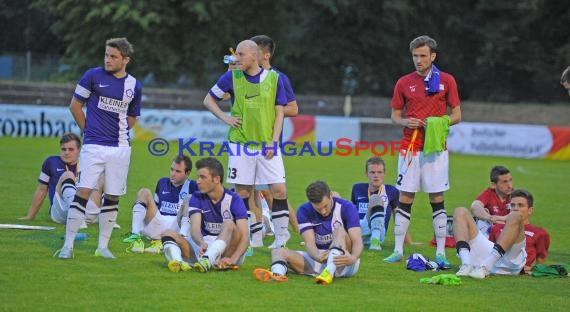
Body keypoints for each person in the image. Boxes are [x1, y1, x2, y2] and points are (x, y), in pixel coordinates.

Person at [56, 37, 142, 260]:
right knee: (83, 191)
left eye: (113, 56)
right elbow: (75, 106)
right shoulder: (92, 76)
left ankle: (102, 247)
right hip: (93, 146)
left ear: (125, 60)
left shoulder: (134, 85)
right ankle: (68, 246)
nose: (108, 60)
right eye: (106, 55)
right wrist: (89, 130)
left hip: (120, 148)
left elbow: (132, 117)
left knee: (113, 196)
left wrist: (119, 133)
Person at [203, 39, 291, 250]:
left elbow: (280, 113)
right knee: (242, 193)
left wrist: (273, 141)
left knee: (279, 190)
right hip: (240, 144)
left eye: (241, 55)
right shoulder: (231, 76)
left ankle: (281, 238)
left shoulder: (274, 78)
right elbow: (208, 100)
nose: (236, 58)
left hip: (267, 146)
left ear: (254, 55)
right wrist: (226, 119)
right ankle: (249, 237)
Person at [385, 35, 461, 267]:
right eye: (415, 56)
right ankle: (398, 250)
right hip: (410, 148)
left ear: (433, 56)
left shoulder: (447, 80)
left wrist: (440, 122)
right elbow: (395, 116)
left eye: (423, 56)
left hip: (435, 150)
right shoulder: (403, 82)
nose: (418, 60)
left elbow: (457, 114)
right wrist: (405, 122)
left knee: (437, 198)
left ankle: (440, 252)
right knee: (405, 197)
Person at [253, 181, 363, 285]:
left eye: (325, 206)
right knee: (278, 252)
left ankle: (329, 271)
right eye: (319, 209)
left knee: (339, 230)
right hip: (320, 260)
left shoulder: (347, 207)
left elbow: (357, 241)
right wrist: (317, 256)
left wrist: (353, 258)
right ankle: (277, 274)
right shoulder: (304, 211)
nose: (323, 211)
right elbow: (309, 243)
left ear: (330, 196)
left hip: (345, 262)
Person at [248, 35, 299, 249]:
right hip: (246, 143)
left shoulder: (278, 78)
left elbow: (294, 109)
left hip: (269, 143)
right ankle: (256, 236)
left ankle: (291, 232)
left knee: (274, 191)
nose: (249, 56)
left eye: (254, 52)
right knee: (249, 190)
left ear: (266, 55)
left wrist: (268, 108)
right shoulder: (242, 77)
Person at [160, 157, 249, 273]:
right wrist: (201, 242)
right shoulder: (196, 197)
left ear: (216, 179)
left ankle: (208, 260)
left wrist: (233, 259)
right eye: (198, 177)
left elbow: (245, 236)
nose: (198, 181)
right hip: (204, 247)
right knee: (167, 233)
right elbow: (195, 229)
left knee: (229, 224)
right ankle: (178, 262)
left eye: (203, 177)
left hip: (227, 251)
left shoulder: (234, 199)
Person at [453, 189, 550, 279]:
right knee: (460, 211)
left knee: (515, 216)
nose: (515, 208)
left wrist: (532, 269)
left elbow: (540, 262)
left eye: (520, 205)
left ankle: (485, 268)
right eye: (512, 205)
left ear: (530, 210)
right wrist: (490, 218)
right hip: (493, 256)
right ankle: (466, 264)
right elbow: (489, 244)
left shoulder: (539, 232)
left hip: (512, 261)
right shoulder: (497, 227)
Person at [20, 133, 101, 225]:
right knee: (68, 175)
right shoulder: (51, 162)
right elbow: (42, 190)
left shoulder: (87, 164)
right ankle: (76, 217)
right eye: (63, 149)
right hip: (60, 211)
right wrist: (30, 216)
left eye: (71, 149)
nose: (66, 152)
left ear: (79, 151)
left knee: (102, 176)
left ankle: (108, 220)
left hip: (85, 211)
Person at [122, 155, 197, 253]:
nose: (173, 174)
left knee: (189, 199)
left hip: (177, 225)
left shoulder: (193, 186)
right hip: (159, 223)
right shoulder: (162, 182)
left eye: (178, 171)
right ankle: (136, 236)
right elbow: (155, 206)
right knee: (144, 192)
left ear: (187, 173)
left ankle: (181, 239)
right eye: (172, 169)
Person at [350, 156, 399, 250]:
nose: (376, 175)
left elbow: (398, 218)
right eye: (372, 172)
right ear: (366, 174)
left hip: (379, 232)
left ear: (384, 173)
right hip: (359, 230)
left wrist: (406, 241)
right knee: (374, 198)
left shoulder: (392, 191)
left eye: (379, 172)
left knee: (376, 199)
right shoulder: (357, 188)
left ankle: (375, 242)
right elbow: (351, 213)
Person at [471, 166, 513, 238]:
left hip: (510, 234)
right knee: (480, 220)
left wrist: (498, 219)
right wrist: (489, 218)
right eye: (504, 182)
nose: (509, 186)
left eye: (510, 180)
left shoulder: (516, 196)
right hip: (492, 235)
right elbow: (475, 206)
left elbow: (519, 216)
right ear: (494, 184)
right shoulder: (489, 194)